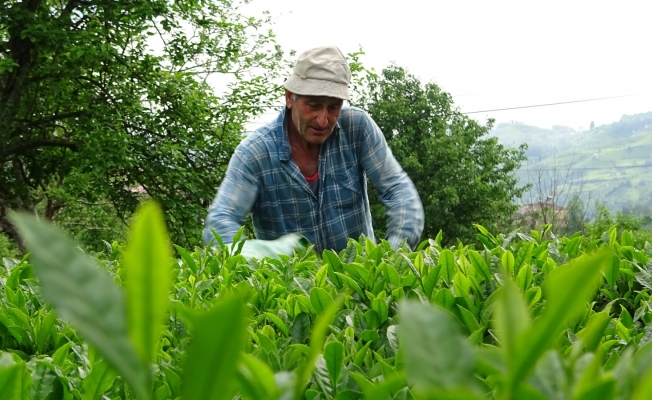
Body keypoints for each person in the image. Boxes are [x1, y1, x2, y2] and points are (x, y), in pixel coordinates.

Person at [203, 46, 424, 254]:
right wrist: (257, 259)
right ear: (290, 97)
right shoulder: (256, 153)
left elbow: (398, 190)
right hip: (291, 290)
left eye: (333, 107)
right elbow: (221, 220)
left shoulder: (357, 128)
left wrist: (393, 256)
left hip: (359, 286)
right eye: (314, 105)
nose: (323, 120)